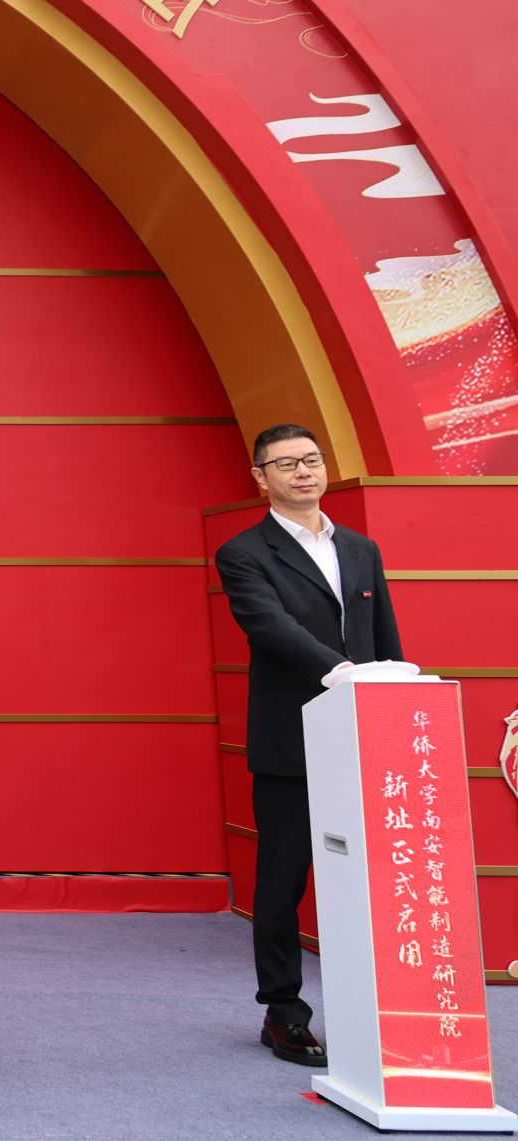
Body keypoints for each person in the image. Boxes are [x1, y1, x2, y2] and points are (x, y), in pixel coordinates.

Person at [215, 422, 400, 1066]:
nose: (303, 471)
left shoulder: (361, 548)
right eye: (287, 463)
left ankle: (381, 1007)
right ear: (260, 477)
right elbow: (269, 626)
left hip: (362, 731)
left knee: (373, 875)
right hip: (290, 737)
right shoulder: (244, 552)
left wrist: (391, 696)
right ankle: (284, 1012)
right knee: (283, 877)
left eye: (312, 460)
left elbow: (382, 636)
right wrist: (341, 672)